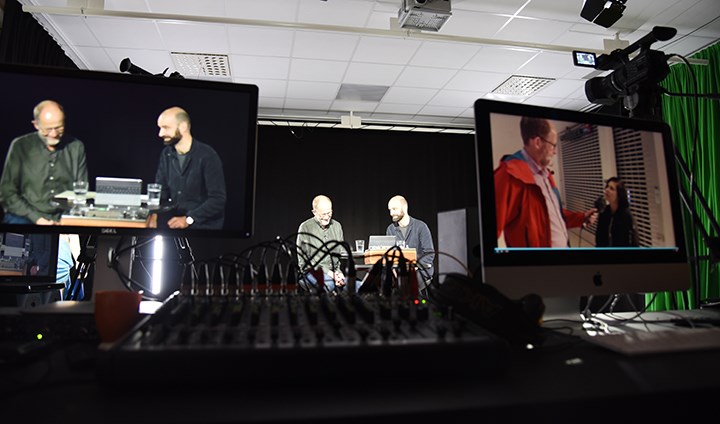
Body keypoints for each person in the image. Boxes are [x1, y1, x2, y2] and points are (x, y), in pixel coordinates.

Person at [0, 100, 87, 276]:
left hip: (61, 222)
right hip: (25, 217)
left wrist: (66, 224)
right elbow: (7, 194)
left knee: (64, 267)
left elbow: (81, 193)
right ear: (36, 124)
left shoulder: (76, 147)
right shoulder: (21, 146)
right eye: (48, 129)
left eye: (59, 128)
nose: (54, 134)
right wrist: (38, 219)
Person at [494, 116, 596, 248]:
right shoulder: (508, 175)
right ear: (537, 142)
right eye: (553, 145)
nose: (554, 152)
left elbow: (551, 215)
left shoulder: (546, 174)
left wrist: (581, 218)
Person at [152, 106, 226, 230]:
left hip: (204, 228)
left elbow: (218, 199)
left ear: (183, 126)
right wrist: (153, 216)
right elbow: (161, 190)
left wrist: (189, 219)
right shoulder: (166, 154)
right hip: (173, 224)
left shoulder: (207, 155)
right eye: (160, 128)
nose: (160, 134)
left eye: (165, 128)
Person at [296, 195, 346, 292]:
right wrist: (331, 275)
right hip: (311, 273)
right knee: (330, 286)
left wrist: (339, 273)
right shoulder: (305, 227)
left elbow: (339, 256)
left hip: (333, 274)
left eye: (329, 213)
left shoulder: (337, 226)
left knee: (358, 286)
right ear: (314, 212)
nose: (327, 217)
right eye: (323, 214)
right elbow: (306, 262)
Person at [385, 195, 435, 285]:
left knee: (407, 281)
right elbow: (391, 254)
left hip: (420, 270)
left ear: (404, 207)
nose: (391, 213)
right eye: (390, 210)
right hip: (399, 269)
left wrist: (413, 266)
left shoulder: (421, 227)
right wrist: (392, 269)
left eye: (394, 209)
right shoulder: (390, 229)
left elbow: (429, 254)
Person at [595, 177, 639, 247]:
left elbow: (633, 243)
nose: (607, 190)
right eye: (607, 187)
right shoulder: (604, 212)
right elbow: (599, 238)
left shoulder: (626, 215)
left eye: (611, 188)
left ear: (619, 194)